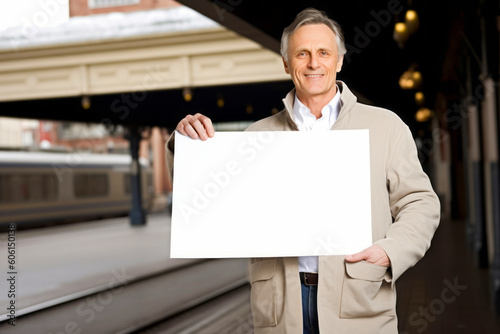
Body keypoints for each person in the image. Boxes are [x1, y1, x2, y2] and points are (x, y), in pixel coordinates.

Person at [166, 8, 440, 334]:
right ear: (286, 63)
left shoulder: (386, 126)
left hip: (359, 301)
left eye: (323, 52)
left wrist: (388, 252)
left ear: (339, 60)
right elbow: (206, 203)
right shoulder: (257, 136)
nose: (313, 63)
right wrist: (185, 146)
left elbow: (421, 203)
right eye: (302, 54)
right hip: (282, 307)